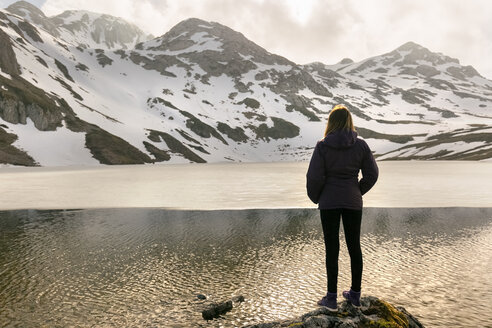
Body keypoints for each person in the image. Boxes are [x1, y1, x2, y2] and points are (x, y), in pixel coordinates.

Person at [306, 104, 378, 311]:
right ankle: (355, 295)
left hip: (329, 202)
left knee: (332, 249)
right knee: (354, 246)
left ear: (331, 123)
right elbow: (372, 175)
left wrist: (316, 197)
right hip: (353, 202)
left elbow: (314, 176)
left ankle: (331, 299)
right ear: (349, 121)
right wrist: (356, 191)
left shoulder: (322, 145)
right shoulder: (361, 145)